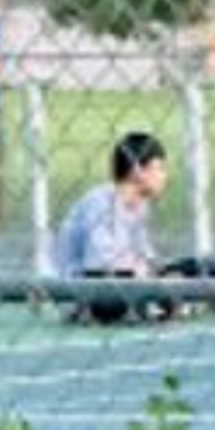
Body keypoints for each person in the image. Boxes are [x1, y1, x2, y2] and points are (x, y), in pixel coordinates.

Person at [54, 132, 170, 323]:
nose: (164, 176)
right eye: (159, 168)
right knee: (129, 291)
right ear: (137, 170)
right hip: (87, 287)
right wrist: (151, 277)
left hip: (127, 279)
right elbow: (100, 266)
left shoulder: (139, 207)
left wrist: (166, 273)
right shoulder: (101, 203)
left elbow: (146, 258)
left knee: (209, 269)